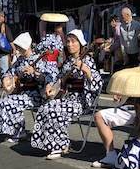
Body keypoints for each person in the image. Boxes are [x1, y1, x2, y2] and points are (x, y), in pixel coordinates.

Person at [92, 30, 140, 168]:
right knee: (99, 116)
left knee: (134, 153)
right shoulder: (139, 67)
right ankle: (110, 154)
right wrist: (121, 93)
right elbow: (129, 88)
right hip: (135, 109)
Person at [30, 29, 102, 159]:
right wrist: (50, 85)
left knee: (55, 109)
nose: (70, 44)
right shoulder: (67, 62)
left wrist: (86, 70)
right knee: (45, 107)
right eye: (68, 41)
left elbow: (98, 84)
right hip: (66, 98)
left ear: (80, 44)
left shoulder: (88, 61)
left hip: (81, 101)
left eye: (73, 41)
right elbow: (59, 79)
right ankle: (51, 143)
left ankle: (59, 146)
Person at [0, 32, 58, 143]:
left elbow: (49, 77)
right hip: (22, 93)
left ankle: (19, 132)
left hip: (35, 94)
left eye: (19, 47)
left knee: (9, 102)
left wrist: (35, 73)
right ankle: (13, 130)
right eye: (17, 47)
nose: (17, 49)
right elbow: (9, 72)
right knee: (2, 101)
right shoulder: (19, 60)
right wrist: (5, 79)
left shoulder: (40, 60)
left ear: (25, 46)